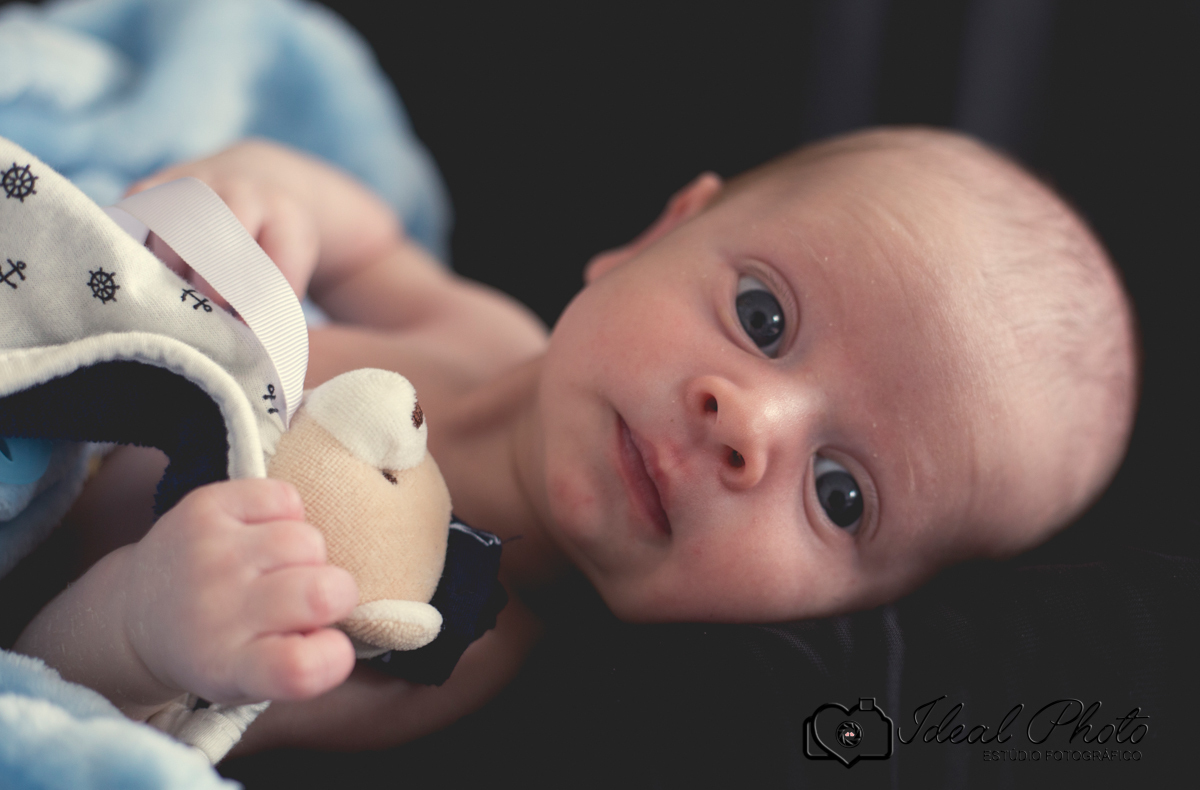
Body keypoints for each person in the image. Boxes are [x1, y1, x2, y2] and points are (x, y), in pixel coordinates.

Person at [12, 125, 1137, 752]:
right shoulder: (483, 331)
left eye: (840, 493)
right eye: (763, 318)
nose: (748, 425)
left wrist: (147, 626)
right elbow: (370, 239)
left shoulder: (448, 651)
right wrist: (271, 194)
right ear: (659, 234)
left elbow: (100, 715)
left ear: (842, 611)